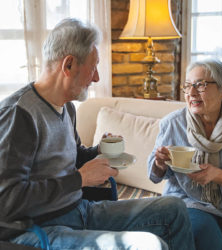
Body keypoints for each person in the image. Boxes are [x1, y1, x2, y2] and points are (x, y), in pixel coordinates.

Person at [0, 18, 195, 250]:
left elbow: (71, 158)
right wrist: (80, 178)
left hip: (78, 210)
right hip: (37, 228)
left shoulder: (67, 106)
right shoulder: (19, 115)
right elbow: (7, 200)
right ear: (69, 65)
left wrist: (98, 152)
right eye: (93, 67)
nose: (97, 78)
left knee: (174, 208)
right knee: (149, 245)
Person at [148, 58, 222, 250]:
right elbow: (153, 175)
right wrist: (160, 164)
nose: (191, 93)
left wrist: (219, 175)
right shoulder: (172, 123)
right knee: (204, 233)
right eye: (188, 86)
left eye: (200, 85)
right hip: (190, 203)